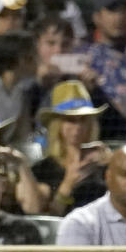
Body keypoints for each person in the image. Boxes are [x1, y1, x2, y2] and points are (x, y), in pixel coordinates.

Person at [33, 81, 111, 216]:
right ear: (58, 124)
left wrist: (115, 165)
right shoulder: (43, 170)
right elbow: (48, 221)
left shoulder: (104, 162)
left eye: (83, 120)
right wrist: (68, 184)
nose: (78, 127)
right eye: (70, 120)